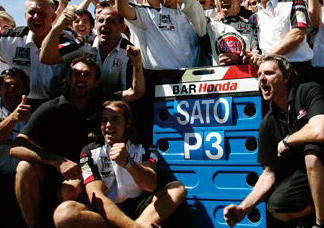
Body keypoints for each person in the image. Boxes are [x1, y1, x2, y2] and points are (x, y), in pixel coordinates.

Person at [10, 53, 144, 228]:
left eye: (87, 74)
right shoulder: (51, 109)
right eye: (76, 74)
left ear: (96, 82)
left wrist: (136, 63)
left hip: (92, 175)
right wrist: (57, 161)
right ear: (69, 78)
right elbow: (17, 146)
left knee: (69, 191)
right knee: (24, 168)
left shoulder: (103, 105)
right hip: (55, 173)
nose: (81, 78)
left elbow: (136, 92)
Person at [224, 55, 324, 228]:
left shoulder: (308, 91)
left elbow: (319, 131)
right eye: (260, 74)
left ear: (286, 77)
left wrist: (288, 141)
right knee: (276, 205)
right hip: (306, 175)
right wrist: (243, 209)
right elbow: (269, 173)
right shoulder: (268, 122)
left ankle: (323, 223)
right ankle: (319, 212)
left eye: (269, 73)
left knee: (312, 152)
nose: (262, 78)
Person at [52, 100, 186, 228]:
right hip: (106, 212)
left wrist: (128, 163)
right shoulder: (89, 152)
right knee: (64, 214)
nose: (109, 125)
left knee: (176, 189)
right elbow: (97, 198)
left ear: (127, 123)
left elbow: (150, 185)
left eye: (115, 120)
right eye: (104, 120)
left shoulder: (143, 147)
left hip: (141, 210)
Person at [115, 0, 205, 70]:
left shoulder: (190, 14)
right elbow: (122, 9)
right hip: (161, 82)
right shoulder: (148, 15)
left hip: (193, 81)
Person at [40, 6, 140, 96]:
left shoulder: (129, 52)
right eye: (101, 21)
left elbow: (133, 93)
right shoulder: (82, 43)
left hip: (113, 109)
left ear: (122, 27)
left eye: (110, 21)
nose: (104, 24)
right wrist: (57, 28)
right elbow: (46, 58)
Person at [0, 0, 71, 109]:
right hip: (18, 109)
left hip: (54, 109)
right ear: (24, 16)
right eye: (31, 12)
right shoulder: (10, 39)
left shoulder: (69, 41)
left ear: (53, 17)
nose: (36, 17)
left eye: (42, 13)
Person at [249, 0, 314, 81]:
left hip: (297, 71)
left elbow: (298, 34)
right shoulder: (254, 17)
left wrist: (267, 57)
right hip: (268, 73)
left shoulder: (295, 0)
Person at [0, 68, 30, 228]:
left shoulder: (36, 114)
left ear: (26, 91)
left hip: (23, 181)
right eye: (7, 86)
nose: (12, 90)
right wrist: (12, 119)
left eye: (17, 86)